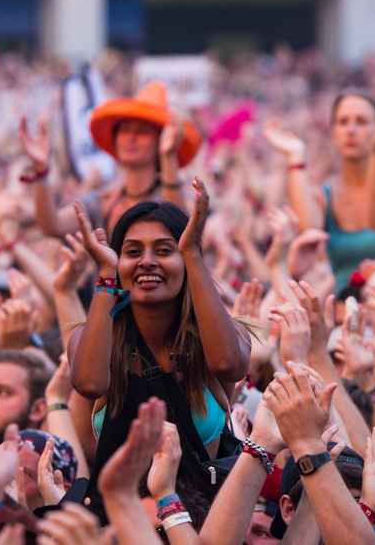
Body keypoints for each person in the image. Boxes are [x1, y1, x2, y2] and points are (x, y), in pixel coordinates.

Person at [69, 178, 250, 520]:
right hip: (121, 527)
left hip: (207, 525)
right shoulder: (91, 338)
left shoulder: (221, 335)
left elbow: (229, 365)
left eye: (165, 250)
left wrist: (193, 253)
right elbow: (90, 384)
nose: (147, 262)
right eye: (132, 252)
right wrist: (106, 274)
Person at [266, 89, 375, 291]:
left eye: (361, 122)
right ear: (333, 133)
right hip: (343, 313)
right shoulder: (325, 195)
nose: (351, 130)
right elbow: (308, 230)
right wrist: (296, 156)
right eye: (343, 122)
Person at [23, 80, 202, 238]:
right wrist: (42, 171)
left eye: (142, 131)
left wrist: (168, 155)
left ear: (161, 140)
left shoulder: (181, 195)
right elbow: (52, 225)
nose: (130, 137)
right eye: (124, 130)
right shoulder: (102, 202)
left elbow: (182, 233)